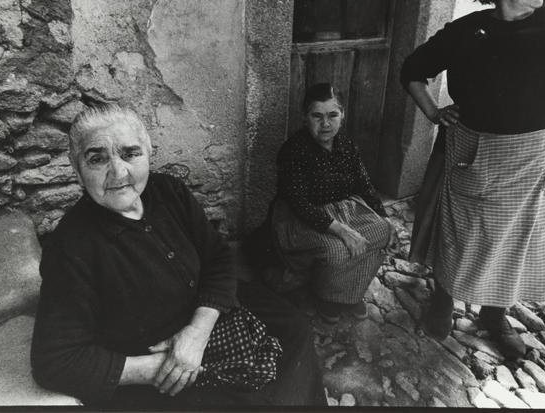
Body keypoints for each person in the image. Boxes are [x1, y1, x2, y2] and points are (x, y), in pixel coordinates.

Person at [30, 103, 326, 408]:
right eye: (97, 159)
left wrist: (198, 331)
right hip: (159, 366)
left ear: (148, 154)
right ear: (78, 171)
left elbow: (219, 258)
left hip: (206, 314)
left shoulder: (167, 191)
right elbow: (55, 360)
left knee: (295, 331)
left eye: (130, 153)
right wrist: (164, 367)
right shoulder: (71, 247)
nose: (118, 172)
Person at [401, 0, 545, 359]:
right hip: (472, 153)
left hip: (537, 158)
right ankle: (444, 297)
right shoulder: (466, 32)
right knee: (459, 236)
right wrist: (434, 113)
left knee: (519, 238)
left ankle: (494, 311)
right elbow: (413, 71)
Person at [270, 82, 397, 324]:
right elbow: (298, 203)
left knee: (382, 232)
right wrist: (341, 230)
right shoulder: (294, 150)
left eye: (332, 115)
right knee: (337, 249)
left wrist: (386, 217)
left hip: (342, 210)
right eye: (317, 116)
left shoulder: (346, 145)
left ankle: (350, 294)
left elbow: (364, 184)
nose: (325, 124)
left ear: (342, 116)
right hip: (300, 218)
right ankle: (326, 297)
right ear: (305, 118)